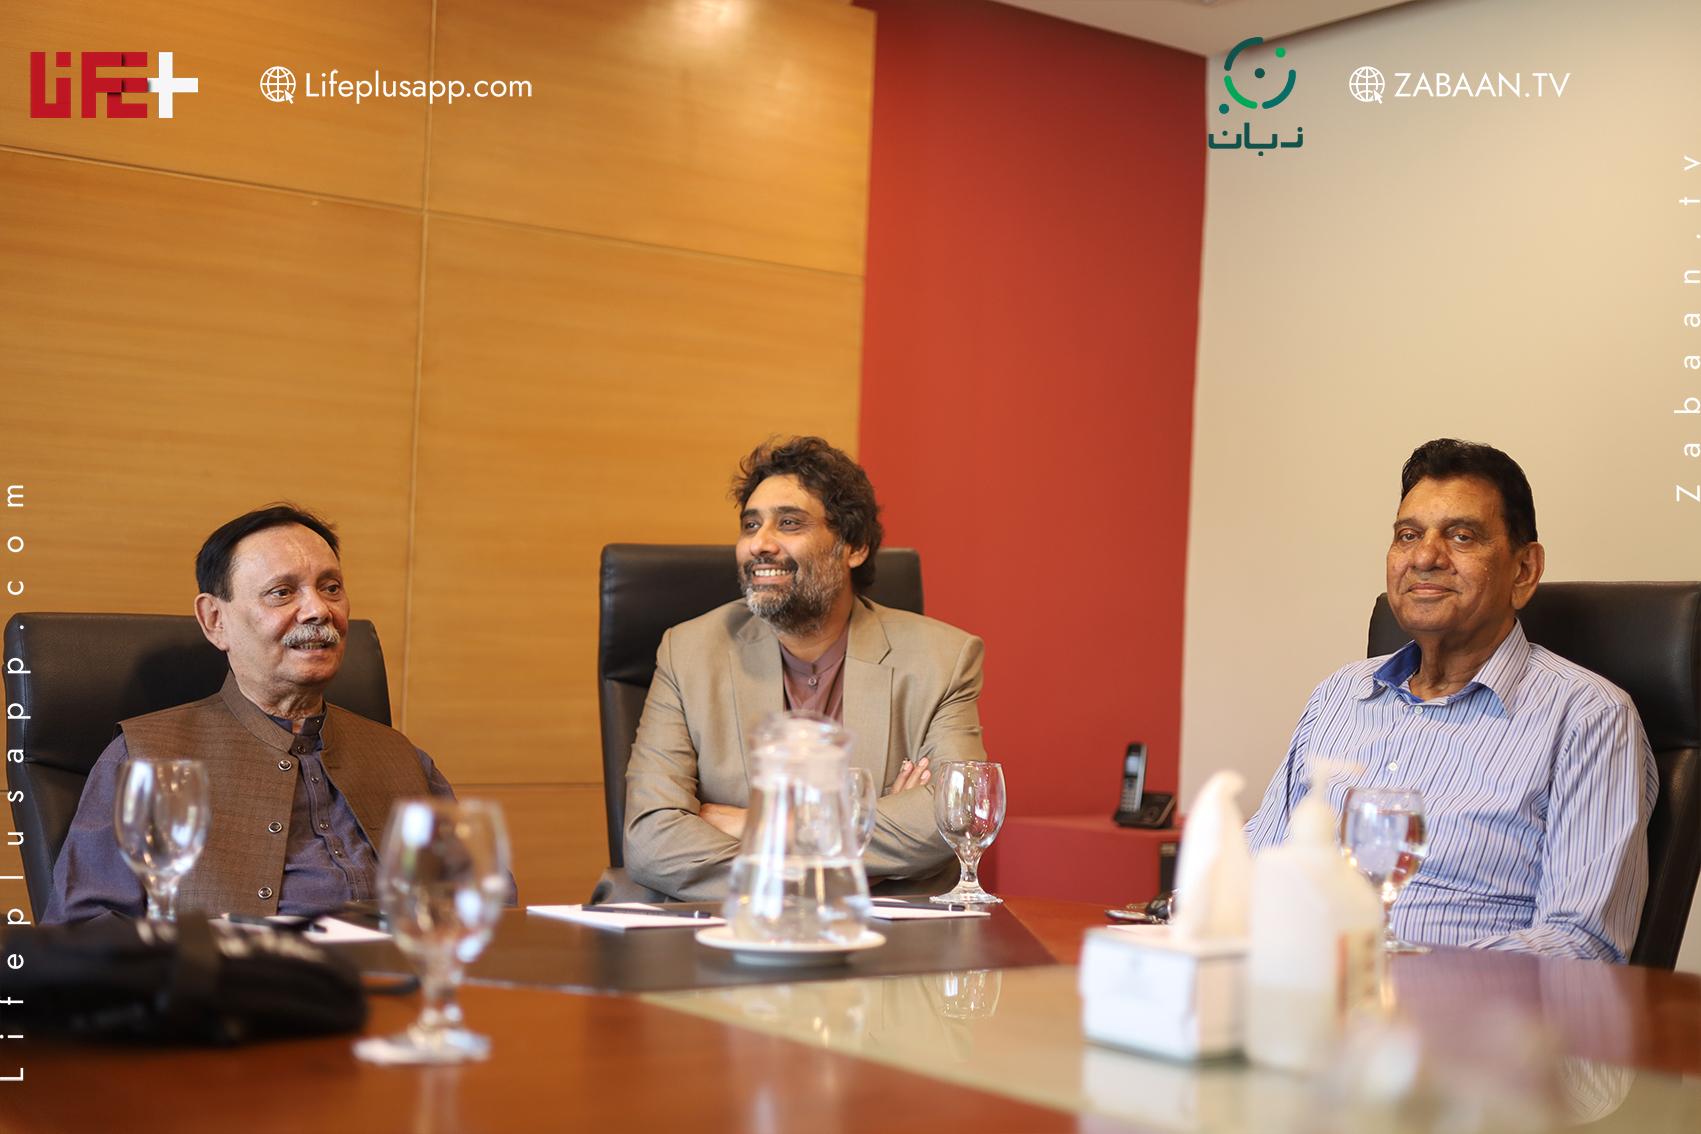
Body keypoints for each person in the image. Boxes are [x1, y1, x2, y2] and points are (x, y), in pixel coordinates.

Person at [1244, 439, 1657, 962]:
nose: (1424, 557)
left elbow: (1581, 945)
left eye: (1462, 536)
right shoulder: (1339, 694)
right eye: (1408, 535)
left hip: (1455, 1011)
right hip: (1288, 987)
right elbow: (1253, 866)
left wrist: (1399, 976)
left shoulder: (1589, 716)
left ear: (1524, 571)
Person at [45, 505, 499, 922]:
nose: (318, 610)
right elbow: (83, 933)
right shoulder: (143, 759)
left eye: (331, 588)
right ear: (215, 621)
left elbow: (482, 907)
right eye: (281, 593)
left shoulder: (403, 757)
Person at [618, 437, 987, 902]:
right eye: (750, 525)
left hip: (891, 935)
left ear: (854, 546)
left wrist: (761, 823)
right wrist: (840, 865)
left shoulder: (943, 657)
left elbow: (953, 815)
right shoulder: (688, 652)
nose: (759, 544)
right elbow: (652, 840)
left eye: (789, 523)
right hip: (734, 931)